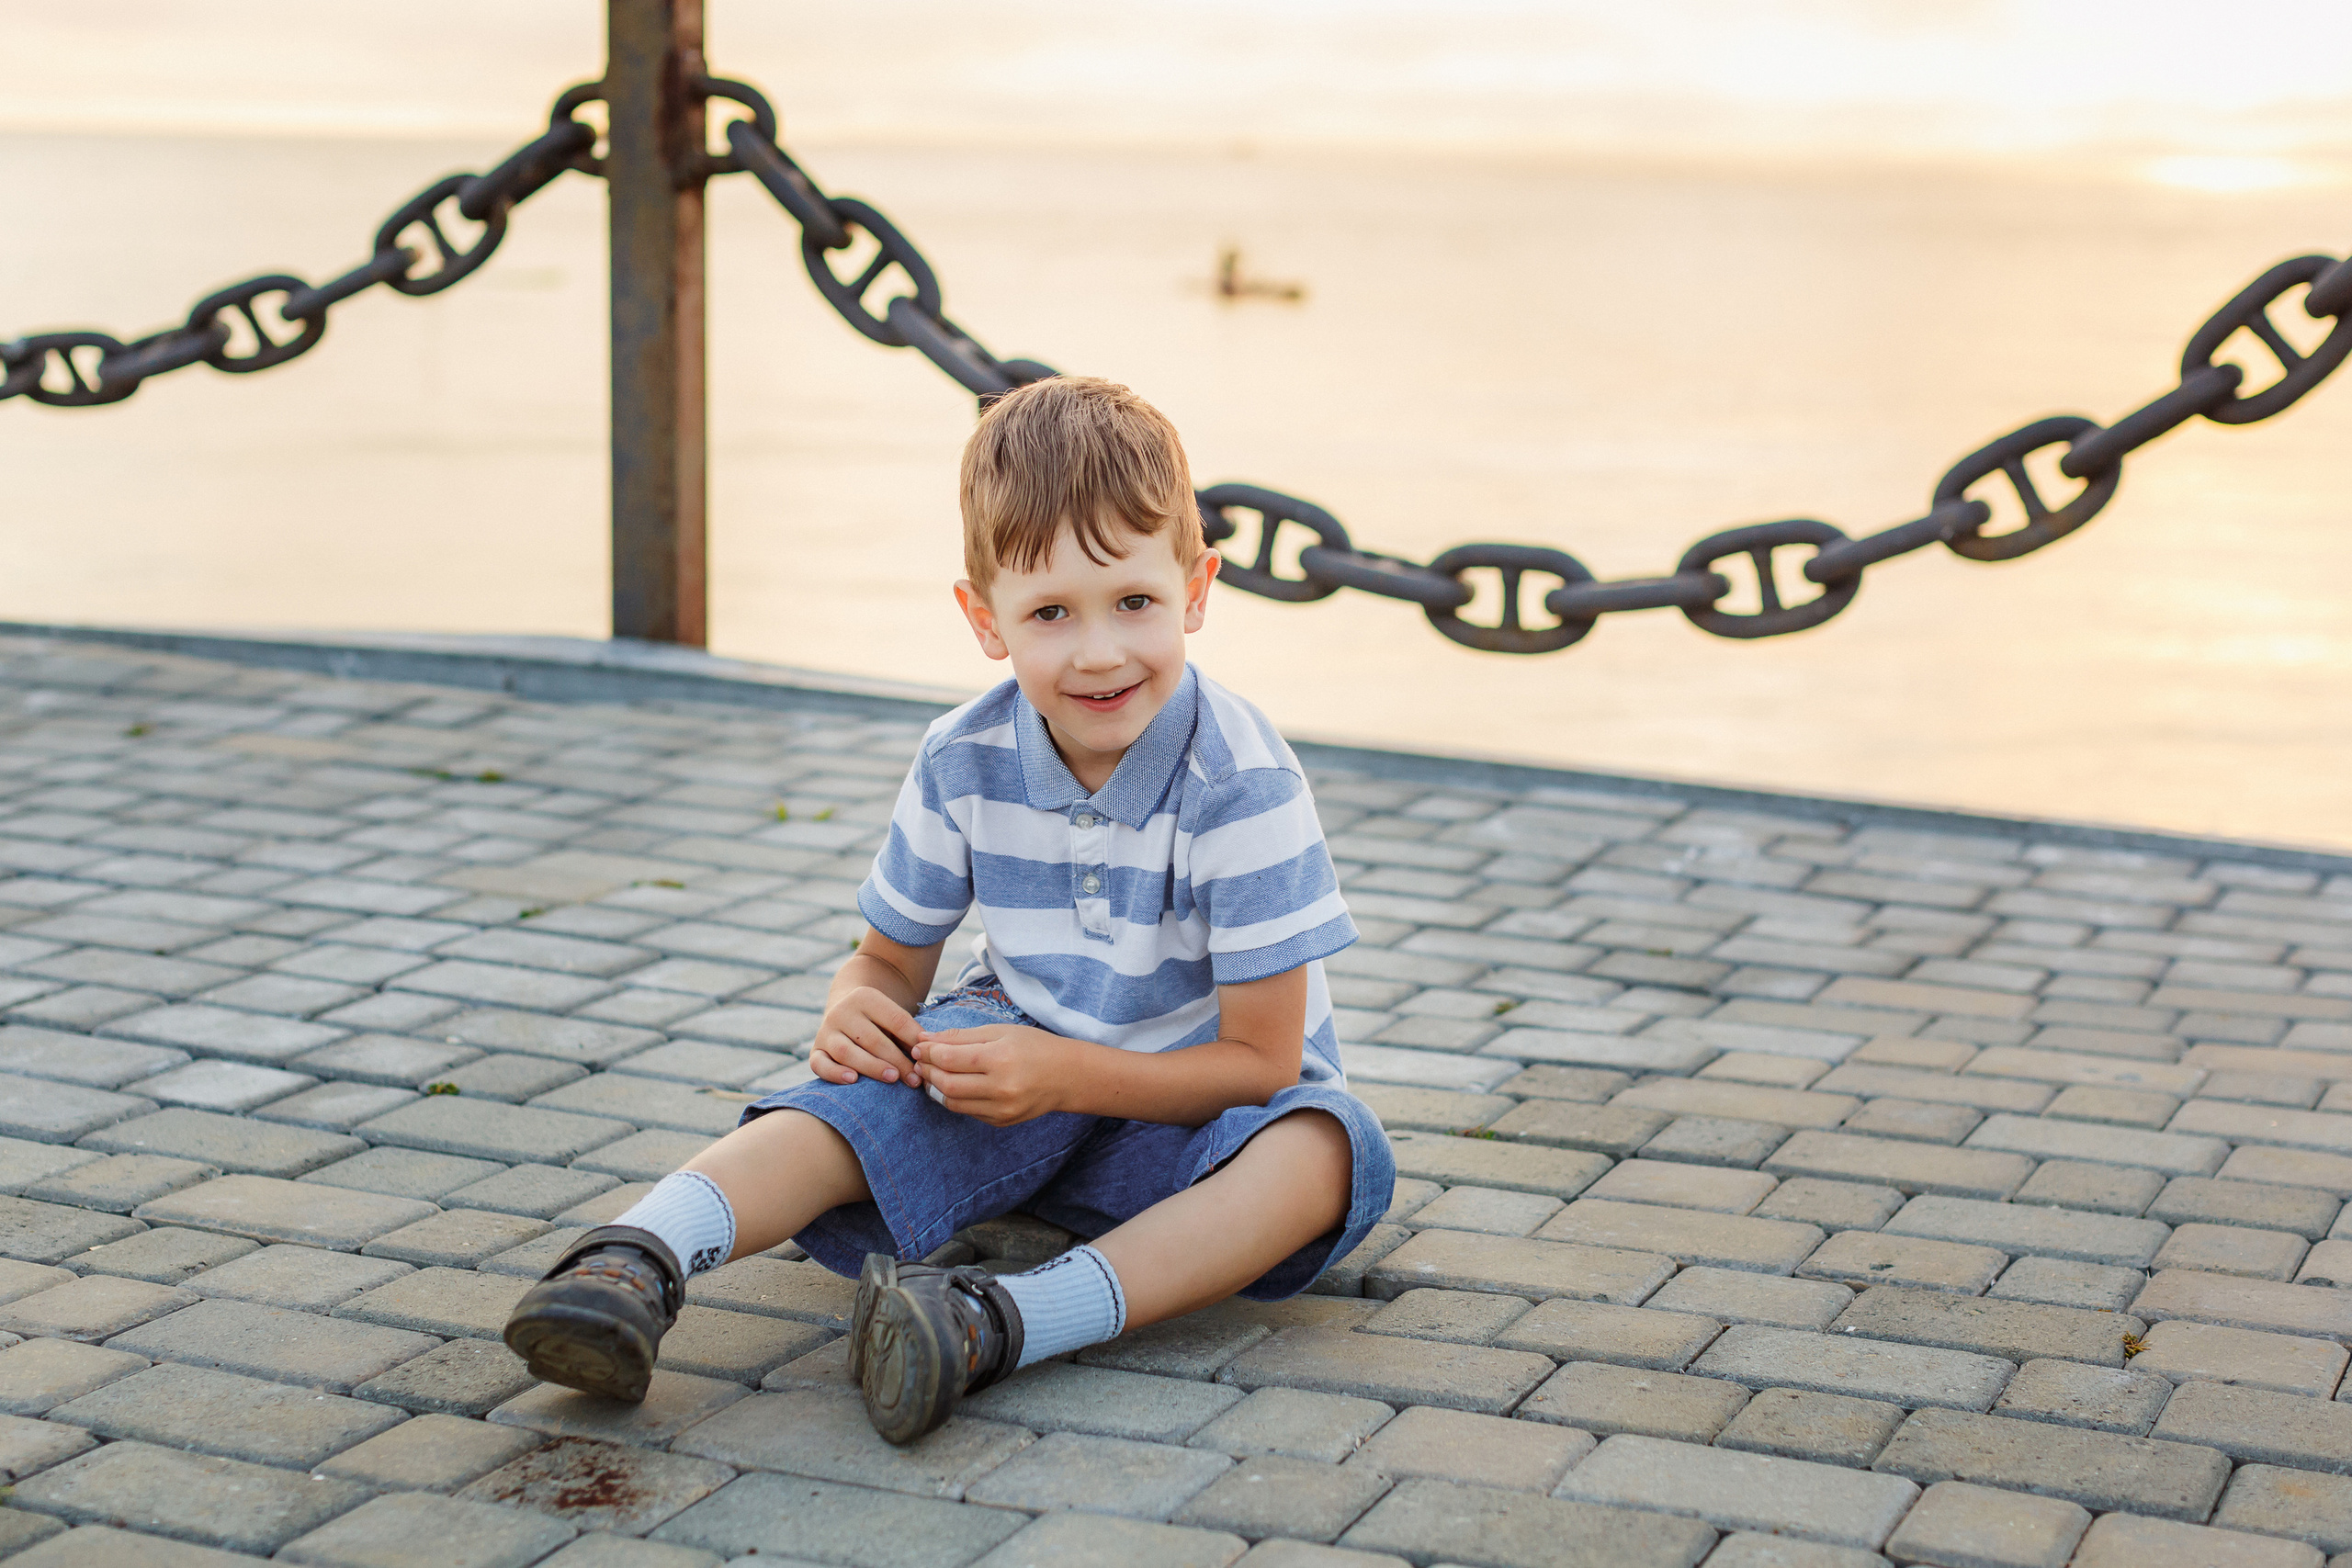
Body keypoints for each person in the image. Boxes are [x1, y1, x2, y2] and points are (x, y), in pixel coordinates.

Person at [503, 375, 1395, 1444]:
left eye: (1135, 604)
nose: (1100, 651)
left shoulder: (1238, 781)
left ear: (1196, 591)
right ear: (985, 618)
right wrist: (855, 1004)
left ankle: (993, 1322)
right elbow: (887, 964)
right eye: (1051, 613)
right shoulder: (962, 758)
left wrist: (1068, 1074)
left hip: (1202, 1120)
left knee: (1327, 1152)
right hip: (1013, 1073)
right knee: (869, 1088)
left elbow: (1261, 1061)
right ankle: (632, 1259)